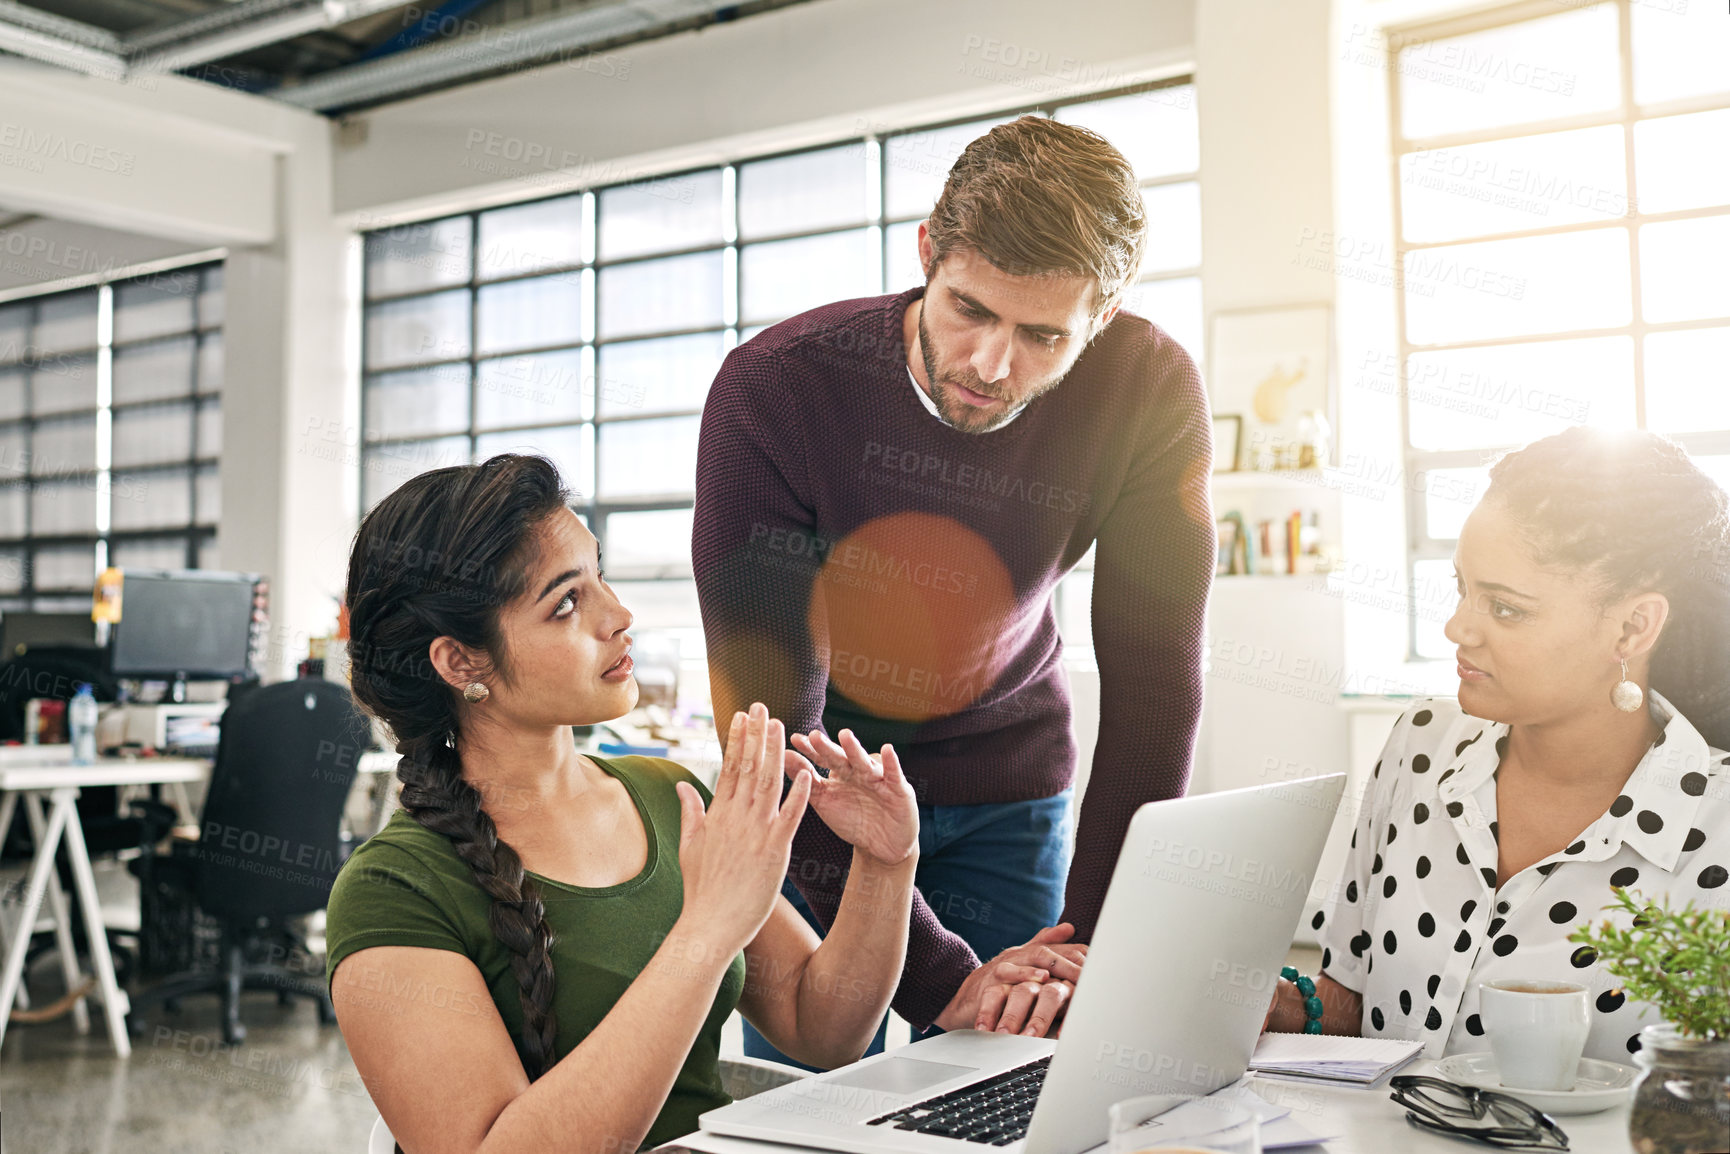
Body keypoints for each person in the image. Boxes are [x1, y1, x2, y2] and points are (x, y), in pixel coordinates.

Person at [692, 114, 1214, 1061]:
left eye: (1044, 335)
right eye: (970, 309)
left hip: (1010, 790)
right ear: (928, 253)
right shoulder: (776, 392)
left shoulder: (1147, 388)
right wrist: (945, 981)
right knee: (825, 1097)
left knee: (1011, 1076)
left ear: (1103, 313)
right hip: (823, 809)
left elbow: (1154, 688)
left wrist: (1085, 952)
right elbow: (777, 735)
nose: (991, 366)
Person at [325, 454, 984, 1153]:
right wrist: (705, 932)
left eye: (599, 575)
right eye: (567, 602)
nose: (619, 615)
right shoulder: (390, 892)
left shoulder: (668, 798)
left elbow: (822, 1029)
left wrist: (885, 864)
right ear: (461, 663)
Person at [1266, 428, 1730, 1063]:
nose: (1457, 627)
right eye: (1462, 587)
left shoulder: (1718, 826)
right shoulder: (1420, 744)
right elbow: (1349, 999)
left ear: (1632, 627)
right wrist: (1240, 998)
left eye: (1505, 608)